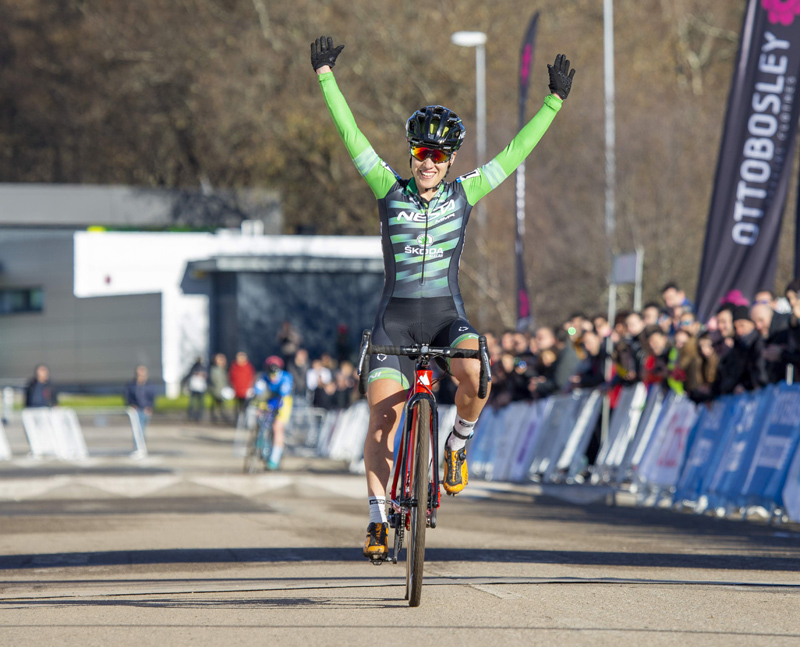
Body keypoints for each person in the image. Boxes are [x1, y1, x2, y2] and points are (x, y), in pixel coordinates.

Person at [311, 35, 575, 559]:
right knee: (383, 420)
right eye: (419, 152)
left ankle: (456, 445)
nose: (426, 162)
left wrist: (553, 101)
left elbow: (515, 152)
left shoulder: (465, 192)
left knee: (477, 367)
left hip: (443, 316)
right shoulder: (387, 187)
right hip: (395, 321)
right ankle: (378, 519)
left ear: (450, 159)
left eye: (435, 154)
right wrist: (325, 75)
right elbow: (350, 133)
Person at [252, 356, 294, 470]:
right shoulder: (263, 376)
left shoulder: (286, 377)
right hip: (271, 399)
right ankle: (260, 441)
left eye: (275, 374)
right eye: (270, 373)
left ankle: (274, 458)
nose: (272, 377)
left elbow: (284, 393)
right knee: (259, 415)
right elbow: (258, 390)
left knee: (277, 427)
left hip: (283, 401)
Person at [125, 365, 157, 436]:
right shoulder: (132, 385)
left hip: (145, 410)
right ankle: (137, 445)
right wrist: (132, 405)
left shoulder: (149, 385)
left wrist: (150, 407)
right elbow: (128, 396)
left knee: (143, 428)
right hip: (136, 410)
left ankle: (142, 445)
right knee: (136, 428)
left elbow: (152, 397)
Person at [228, 351, 256, 427]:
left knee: (246, 407)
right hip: (237, 390)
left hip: (246, 390)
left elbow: (251, 377)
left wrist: (250, 388)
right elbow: (231, 377)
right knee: (238, 407)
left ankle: (246, 422)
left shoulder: (248, 367)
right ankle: (238, 421)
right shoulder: (234, 366)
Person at [208, 353, 231, 424]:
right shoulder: (214, 370)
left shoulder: (224, 370)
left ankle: (222, 416)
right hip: (217, 390)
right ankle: (215, 417)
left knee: (221, 404)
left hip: (222, 390)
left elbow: (225, 380)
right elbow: (214, 380)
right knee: (216, 404)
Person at [183, 357, 207, 422]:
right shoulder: (197, 368)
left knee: (198, 404)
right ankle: (192, 416)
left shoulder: (201, 368)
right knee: (193, 403)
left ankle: (197, 416)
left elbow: (206, 376)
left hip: (200, 388)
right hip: (195, 387)